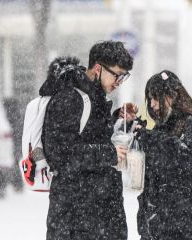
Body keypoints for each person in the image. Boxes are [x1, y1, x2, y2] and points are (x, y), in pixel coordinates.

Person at [40, 41, 133, 240]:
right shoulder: (70, 98)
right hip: (76, 219)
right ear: (98, 68)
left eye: (123, 76)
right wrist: (109, 153)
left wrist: (118, 118)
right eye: (117, 75)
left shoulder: (95, 97)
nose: (119, 82)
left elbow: (90, 135)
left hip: (98, 216)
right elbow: (60, 154)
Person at [135, 70, 192, 240]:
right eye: (150, 99)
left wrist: (151, 138)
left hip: (181, 226)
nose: (152, 104)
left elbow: (186, 159)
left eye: (154, 97)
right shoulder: (164, 127)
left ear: (171, 95)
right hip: (160, 225)